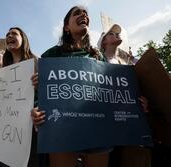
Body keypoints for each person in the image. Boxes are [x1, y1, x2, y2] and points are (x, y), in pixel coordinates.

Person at [31, 6, 109, 167]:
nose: (84, 15)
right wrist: (36, 108)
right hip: (62, 129)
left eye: (86, 13)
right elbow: (40, 94)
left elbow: (111, 88)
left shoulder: (99, 56)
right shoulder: (51, 55)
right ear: (66, 27)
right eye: (77, 13)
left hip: (97, 127)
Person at [97, 24, 151, 167]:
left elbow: (134, 91)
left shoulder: (127, 66)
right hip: (105, 125)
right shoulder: (96, 63)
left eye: (117, 33)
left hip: (126, 124)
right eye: (111, 33)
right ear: (104, 41)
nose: (116, 34)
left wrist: (142, 102)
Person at [0, 27, 39, 167]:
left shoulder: (37, 62)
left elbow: (46, 94)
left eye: (14, 34)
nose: (9, 36)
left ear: (23, 39)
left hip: (29, 127)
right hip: (4, 127)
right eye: (7, 34)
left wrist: (40, 85)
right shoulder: (1, 69)